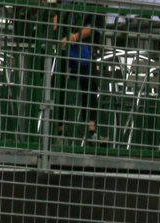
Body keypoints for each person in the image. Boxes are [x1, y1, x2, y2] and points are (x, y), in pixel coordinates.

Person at [54, 0, 105, 143]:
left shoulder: (96, 6)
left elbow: (93, 28)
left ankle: (92, 132)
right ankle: (59, 130)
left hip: (85, 52)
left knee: (90, 87)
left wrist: (73, 37)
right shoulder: (64, 4)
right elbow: (56, 23)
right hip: (64, 51)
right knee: (60, 85)